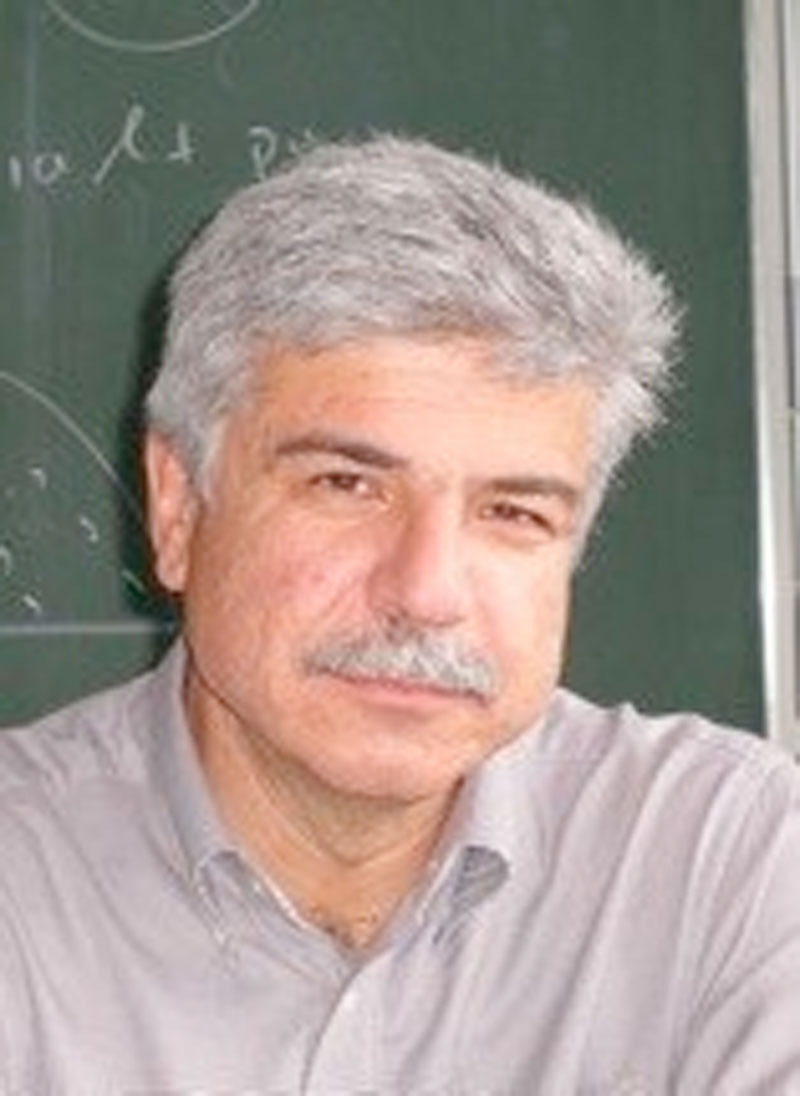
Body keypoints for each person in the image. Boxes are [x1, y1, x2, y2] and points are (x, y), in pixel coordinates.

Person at [1, 134, 798, 1094]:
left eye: (513, 513)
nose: (427, 593)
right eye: (347, 484)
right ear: (178, 508)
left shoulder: (732, 860)